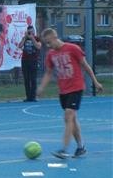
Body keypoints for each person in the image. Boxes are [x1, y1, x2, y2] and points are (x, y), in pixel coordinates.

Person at [37, 28, 103, 159]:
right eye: (46, 43)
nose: (48, 45)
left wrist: (95, 82)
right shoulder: (51, 54)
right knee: (71, 119)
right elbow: (49, 73)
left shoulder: (72, 48)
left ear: (55, 37)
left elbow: (85, 66)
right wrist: (41, 87)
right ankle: (80, 147)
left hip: (76, 87)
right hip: (63, 90)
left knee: (68, 116)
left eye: (49, 42)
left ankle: (64, 149)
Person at [18, 25, 42, 102]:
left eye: (32, 32)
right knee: (26, 79)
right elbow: (20, 46)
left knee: (33, 79)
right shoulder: (25, 38)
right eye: (29, 32)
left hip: (33, 60)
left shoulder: (37, 38)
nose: (30, 33)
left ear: (34, 32)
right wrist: (25, 37)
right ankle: (28, 97)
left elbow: (38, 46)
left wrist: (32, 38)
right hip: (25, 60)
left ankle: (33, 96)